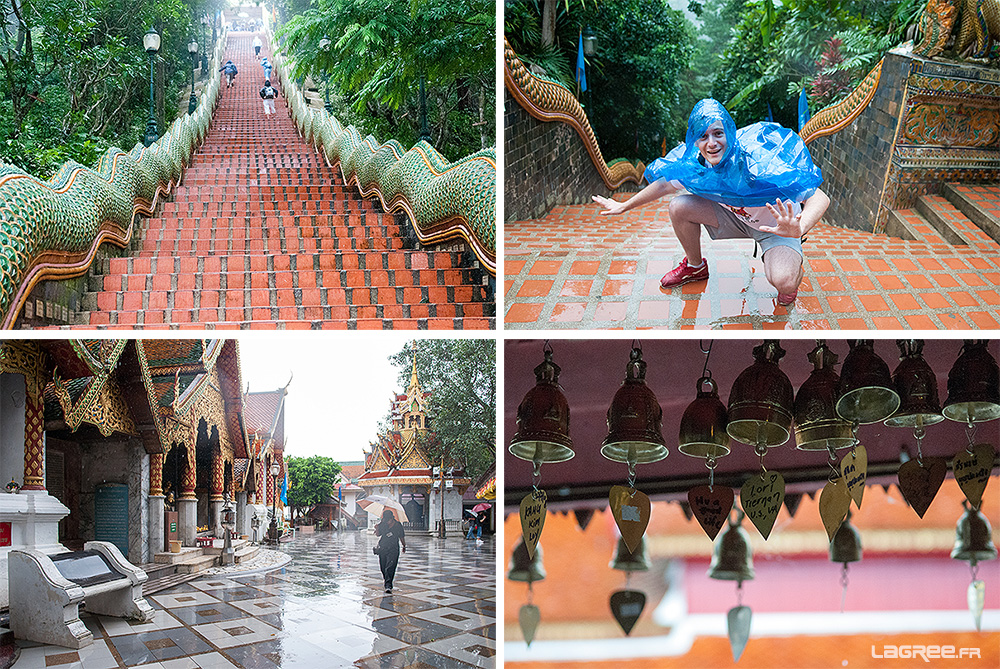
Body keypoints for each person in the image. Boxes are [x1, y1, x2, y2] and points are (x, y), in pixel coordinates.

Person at [593, 98, 829, 306]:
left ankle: (791, 270)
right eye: (703, 136)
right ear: (695, 141)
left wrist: (799, 227)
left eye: (718, 133)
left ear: (729, 132)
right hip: (734, 217)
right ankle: (695, 267)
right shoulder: (697, 164)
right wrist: (623, 206)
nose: (712, 143)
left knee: (783, 281)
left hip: (777, 227)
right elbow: (664, 184)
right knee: (678, 206)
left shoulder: (759, 164)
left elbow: (819, 197)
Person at [374, 509, 406, 593]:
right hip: (383, 547)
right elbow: (378, 534)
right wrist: (377, 528)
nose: (387, 521)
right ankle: (387, 581)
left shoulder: (398, 525)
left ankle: (388, 585)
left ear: (392, 518)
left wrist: (404, 545)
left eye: (388, 519)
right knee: (383, 567)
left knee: (390, 566)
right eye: (385, 519)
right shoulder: (382, 524)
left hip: (393, 548)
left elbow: (401, 536)